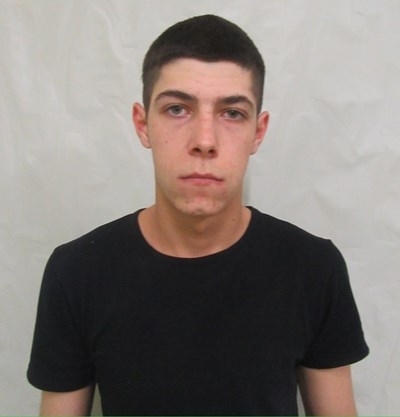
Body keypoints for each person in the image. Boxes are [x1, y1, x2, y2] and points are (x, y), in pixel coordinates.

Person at [27, 14, 369, 416]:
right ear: (143, 124)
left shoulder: (313, 268)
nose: (205, 141)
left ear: (258, 132)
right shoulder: (77, 272)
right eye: (177, 109)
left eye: (232, 113)